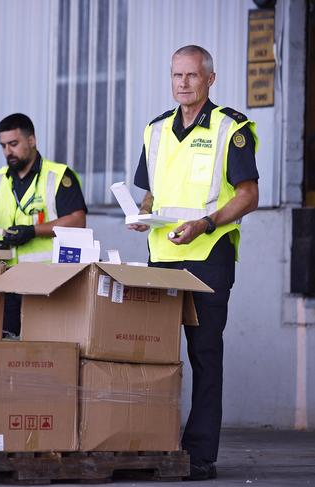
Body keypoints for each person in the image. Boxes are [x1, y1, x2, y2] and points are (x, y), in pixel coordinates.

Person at [129, 45, 259, 480]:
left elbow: (248, 195)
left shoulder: (230, 128)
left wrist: (207, 223)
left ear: (210, 79)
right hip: (163, 255)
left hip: (207, 256)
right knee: (156, 356)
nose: (182, 83)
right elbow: (150, 192)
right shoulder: (155, 130)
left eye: (191, 76)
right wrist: (142, 215)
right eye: (176, 76)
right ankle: (156, 445)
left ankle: (199, 455)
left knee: (204, 354)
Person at [0, 113, 87, 336]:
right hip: (6, 280)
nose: (8, 151)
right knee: (7, 344)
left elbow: (77, 221)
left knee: (43, 345)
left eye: (14, 144)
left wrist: (33, 231)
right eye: (3, 146)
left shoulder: (58, 175)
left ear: (32, 140)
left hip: (48, 282)